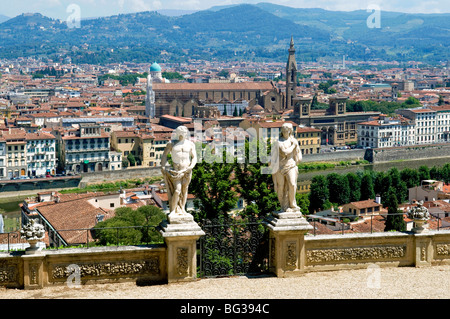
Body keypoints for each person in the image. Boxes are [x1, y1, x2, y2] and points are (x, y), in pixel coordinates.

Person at [160, 126, 197, 215]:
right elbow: (165, 155)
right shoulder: (171, 144)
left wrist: (191, 166)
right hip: (176, 171)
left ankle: (182, 209)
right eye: (182, 132)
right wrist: (163, 166)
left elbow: (194, 157)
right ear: (178, 133)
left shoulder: (190, 144)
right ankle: (173, 210)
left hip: (187, 171)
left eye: (185, 132)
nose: (184, 134)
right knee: (177, 190)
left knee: (185, 190)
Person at [271, 123, 302, 213]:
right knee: (280, 188)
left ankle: (292, 204)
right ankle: (284, 206)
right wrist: (293, 146)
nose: (285, 132)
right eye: (283, 130)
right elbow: (285, 152)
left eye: (287, 130)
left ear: (290, 131)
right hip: (280, 167)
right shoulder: (279, 142)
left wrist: (298, 159)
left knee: (292, 184)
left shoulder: (294, 141)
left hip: (291, 165)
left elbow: (299, 154)